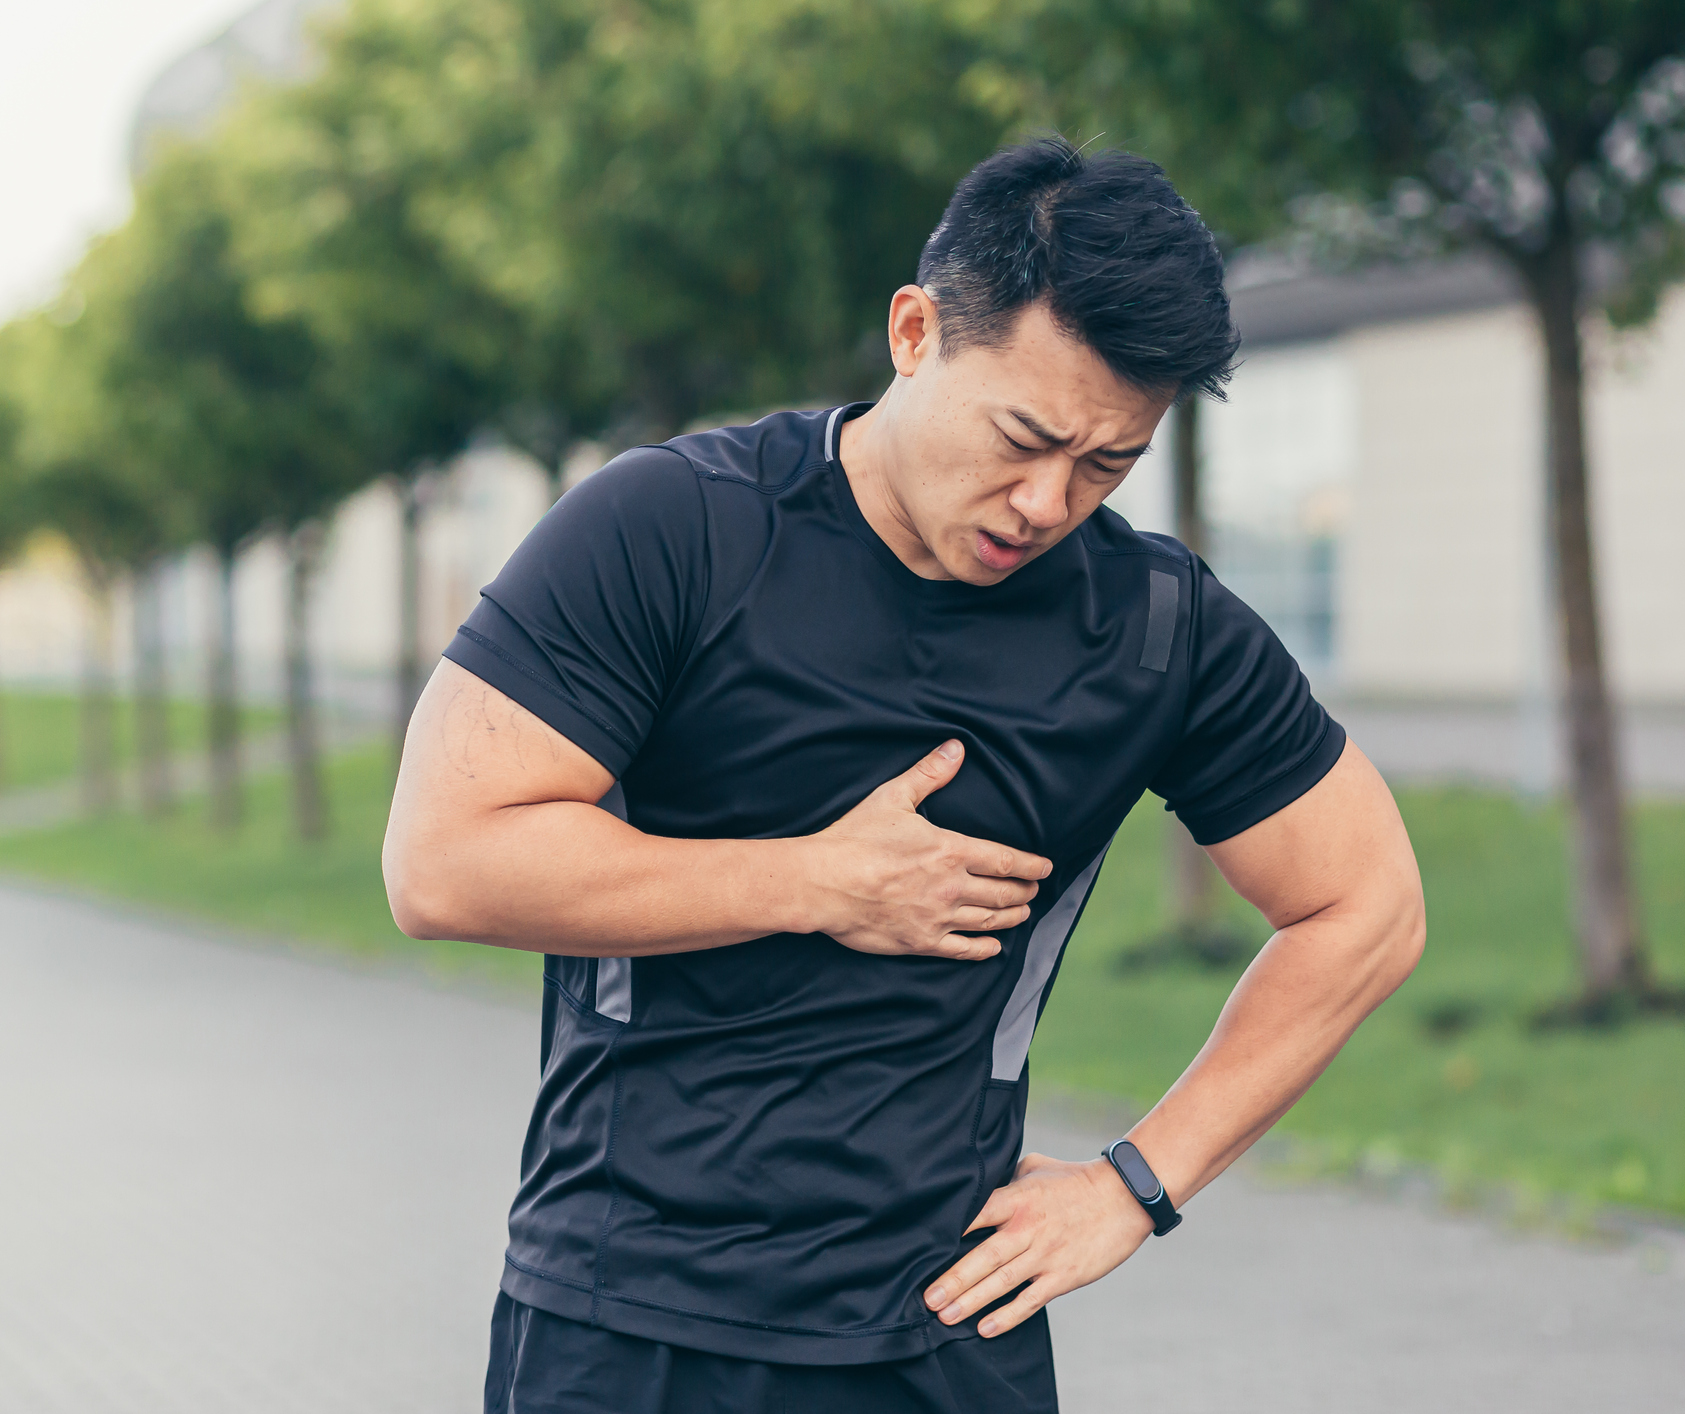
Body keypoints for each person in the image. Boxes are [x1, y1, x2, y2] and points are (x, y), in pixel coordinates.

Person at [383, 136, 1425, 1414]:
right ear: (916, 332)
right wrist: (819, 880)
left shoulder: (1157, 629)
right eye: (1025, 436)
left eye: (1107, 465)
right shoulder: (675, 527)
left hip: (942, 1335)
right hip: (625, 1317)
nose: (1048, 502)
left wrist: (1136, 1187)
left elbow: (1366, 905)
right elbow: (443, 862)